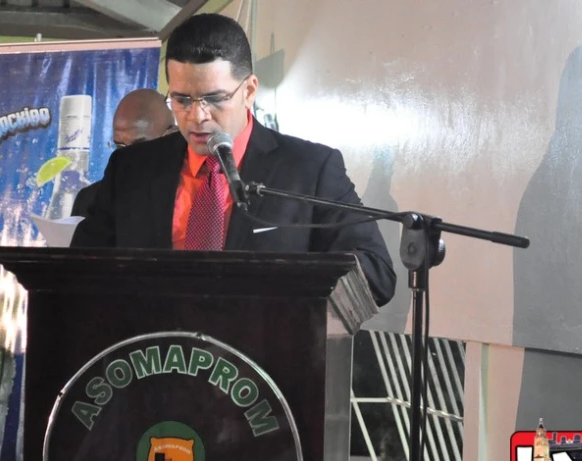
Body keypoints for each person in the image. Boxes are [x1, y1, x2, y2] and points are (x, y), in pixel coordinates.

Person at [70, 13, 396, 306]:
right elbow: (81, 271)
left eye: (214, 99)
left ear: (249, 91)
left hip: (268, 357)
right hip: (151, 361)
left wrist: (289, 281)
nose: (197, 116)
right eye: (182, 99)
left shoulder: (310, 169)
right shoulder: (131, 170)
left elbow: (377, 274)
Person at [71, 88, 176, 217]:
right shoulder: (90, 201)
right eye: (120, 147)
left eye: (139, 146)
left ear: (170, 137)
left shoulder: (193, 200)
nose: (128, 158)